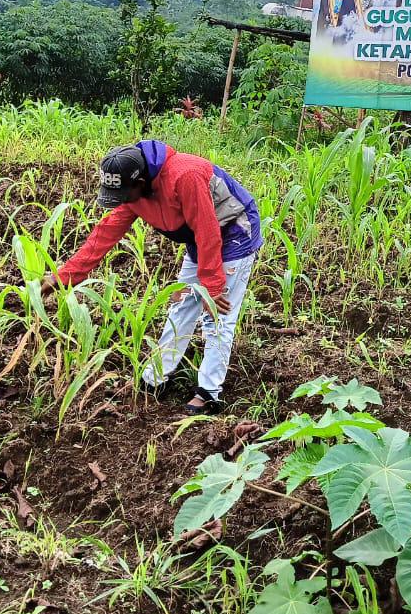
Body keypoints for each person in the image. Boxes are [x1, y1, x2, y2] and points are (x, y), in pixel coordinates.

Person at [40, 142, 262, 414]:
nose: (122, 200)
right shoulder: (134, 194)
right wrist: (67, 275)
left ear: (142, 182)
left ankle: (209, 392)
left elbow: (208, 231)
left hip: (233, 232)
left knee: (217, 314)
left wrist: (213, 287)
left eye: (124, 193)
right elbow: (106, 231)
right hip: (198, 237)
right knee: (182, 305)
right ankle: (157, 376)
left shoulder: (185, 176)